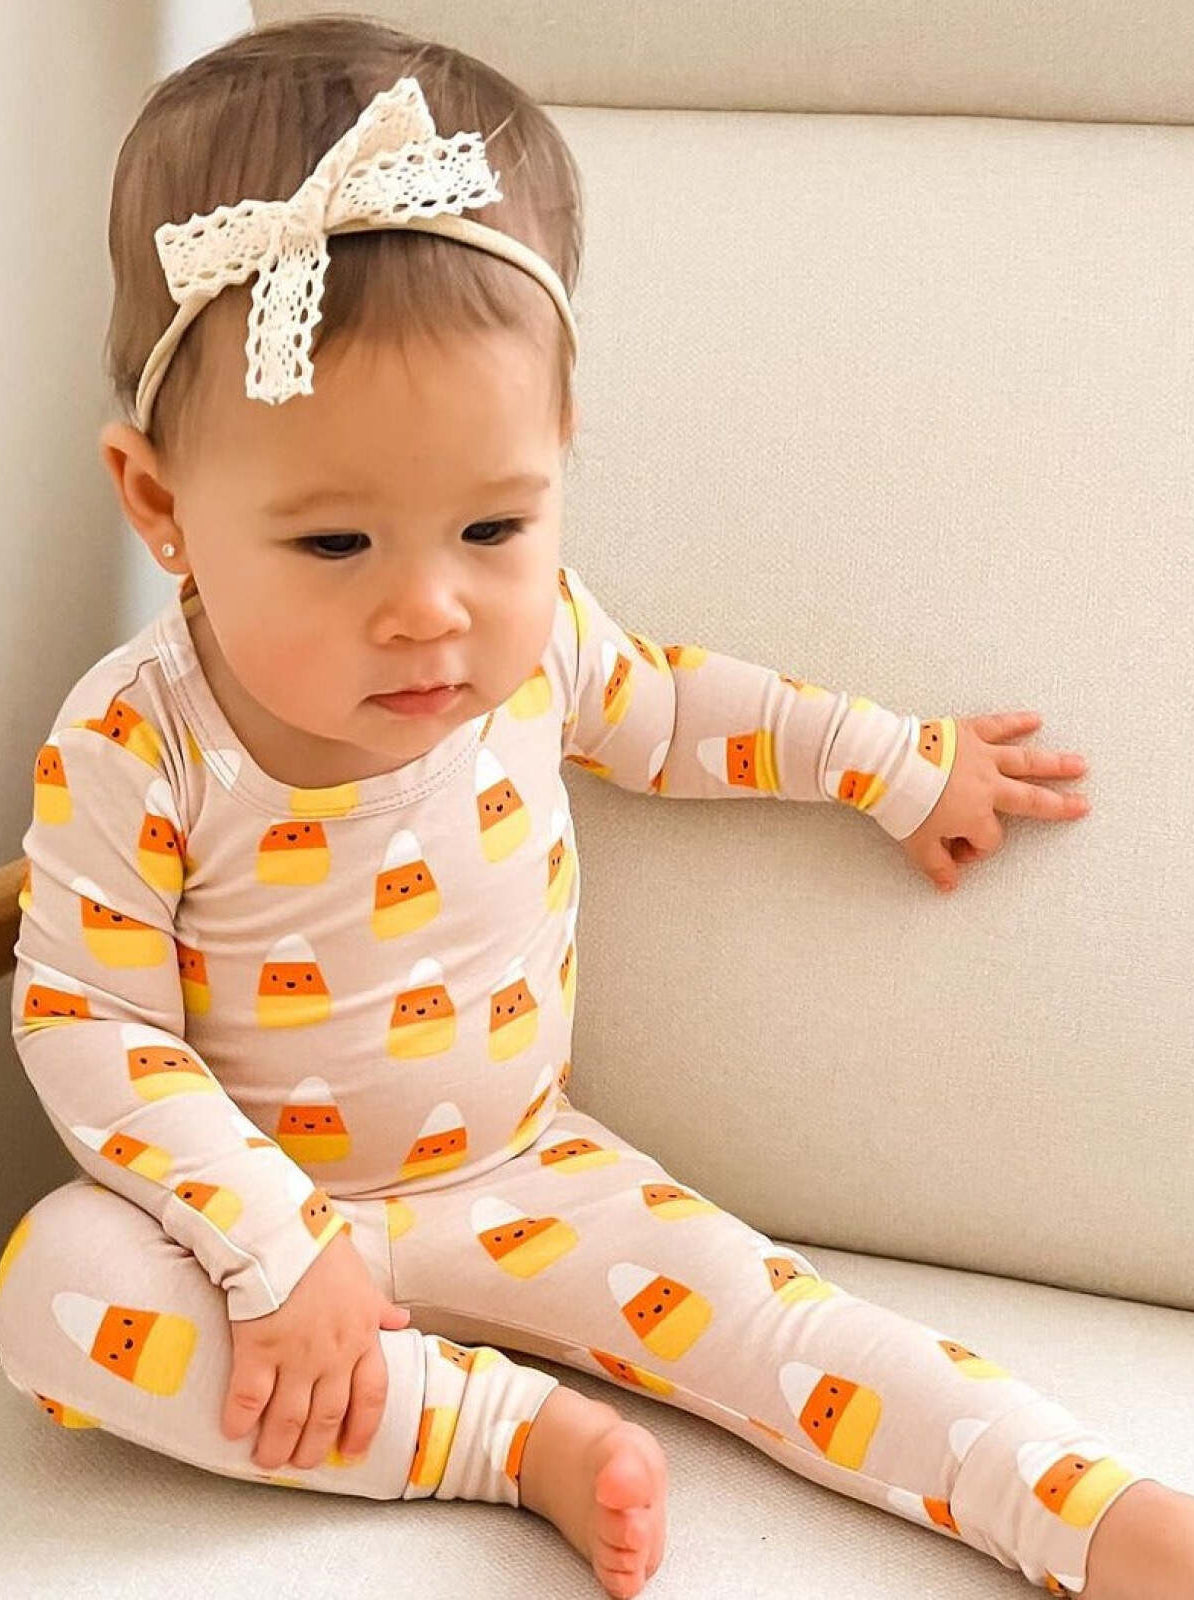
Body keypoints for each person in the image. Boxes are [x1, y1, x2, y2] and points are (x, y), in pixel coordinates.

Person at [1, 17, 1190, 1600]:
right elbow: (89, 1020)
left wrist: (895, 763)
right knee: (56, 1294)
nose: (431, 611)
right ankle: (499, 1438)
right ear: (160, 502)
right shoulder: (135, 743)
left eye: (494, 522)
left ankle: (1086, 1511)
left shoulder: (534, 636)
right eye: (336, 546)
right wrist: (273, 1248)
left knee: (791, 1332)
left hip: (528, 1178)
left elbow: (685, 712)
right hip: (252, 1238)